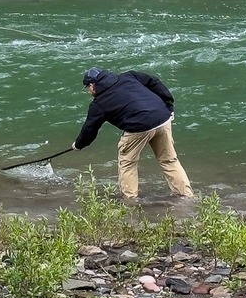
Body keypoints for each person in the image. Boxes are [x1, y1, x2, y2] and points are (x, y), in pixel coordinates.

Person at [73, 66, 193, 200]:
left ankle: (130, 201)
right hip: (163, 118)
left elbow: (90, 129)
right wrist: (168, 104)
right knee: (169, 160)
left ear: (92, 85)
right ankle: (186, 197)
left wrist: (78, 145)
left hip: (138, 127)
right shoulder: (129, 76)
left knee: (127, 164)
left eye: (87, 88)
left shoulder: (99, 104)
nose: (89, 92)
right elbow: (154, 82)